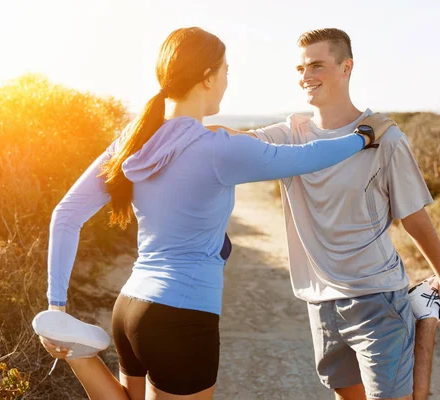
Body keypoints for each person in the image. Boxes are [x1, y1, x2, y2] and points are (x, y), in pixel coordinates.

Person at [36, 26, 395, 400]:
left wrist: (56, 305)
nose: (227, 81)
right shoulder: (217, 149)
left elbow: (66, 214)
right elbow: (308, 158)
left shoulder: (133, 140)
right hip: (180, 316)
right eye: (226, 71)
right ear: (207, 78)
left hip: (130, 308)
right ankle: (78, 353)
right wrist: (364, 136)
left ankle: (79, 354)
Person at [211, 28, 440, 400]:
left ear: (346, 67)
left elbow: (413, 216)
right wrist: (175, 127)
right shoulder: (291, 134)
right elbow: (232, 140)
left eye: (317, 66)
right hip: (321, 303)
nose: (306, 76)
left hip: (378, 299)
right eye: (301, 67)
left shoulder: (385, 138)